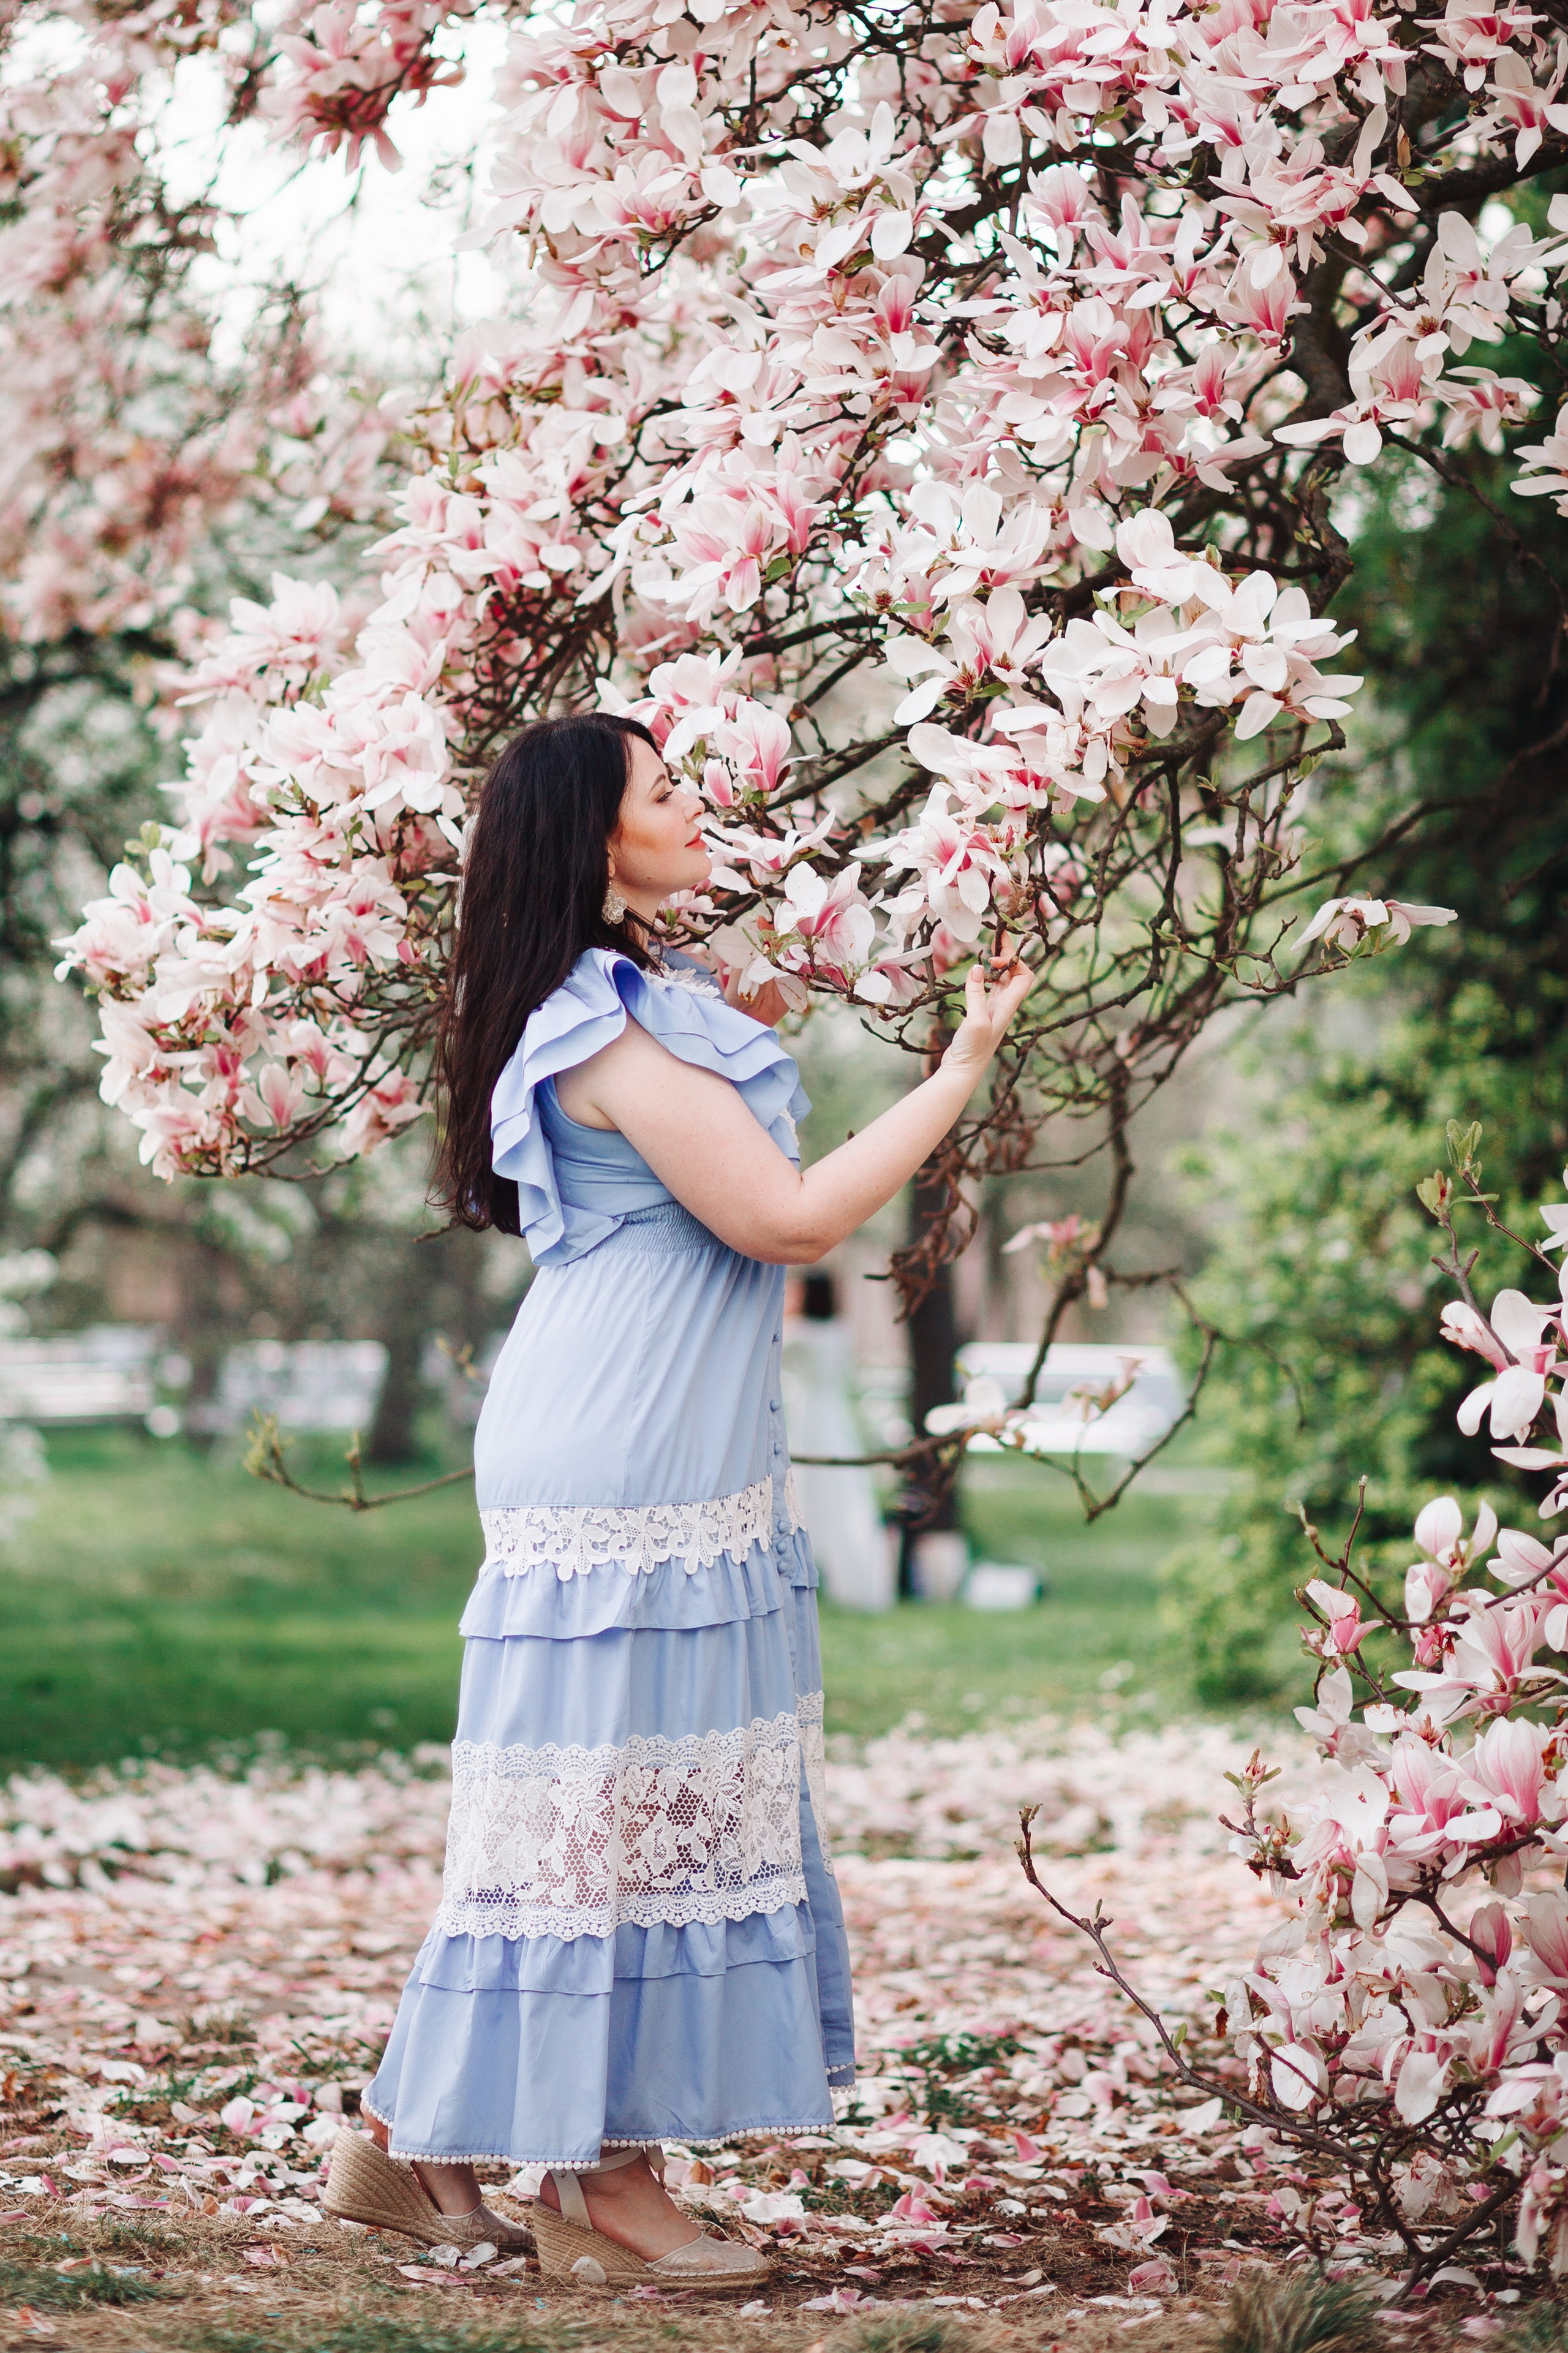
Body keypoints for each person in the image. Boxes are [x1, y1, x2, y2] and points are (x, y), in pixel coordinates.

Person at [322, 711, 1033, 2291]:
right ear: (598, 846)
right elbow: (783, 1218)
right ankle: (597, 2181)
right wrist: (961, 1074)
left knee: (600, 1809)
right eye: (662, 792)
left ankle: (424, 2135)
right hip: (625, 1445)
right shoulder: (605, 1035)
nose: (693, 805)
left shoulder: (649, 1005)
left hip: (658, 1429)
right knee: (611, 1813)